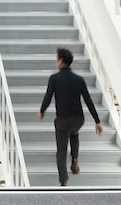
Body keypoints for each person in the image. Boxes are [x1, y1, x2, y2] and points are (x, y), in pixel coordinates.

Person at [39, 47, 103, 186]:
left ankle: (64, 181)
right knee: (74, 133)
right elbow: (88, 100)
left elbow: (48, 97)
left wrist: (42, 110)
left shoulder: (54, 79)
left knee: (61, 151)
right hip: (78, 120)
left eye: (57, 59)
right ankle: (74, 159)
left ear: (61, 61)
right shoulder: (79, 80)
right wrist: (97, 121)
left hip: (62, 120)